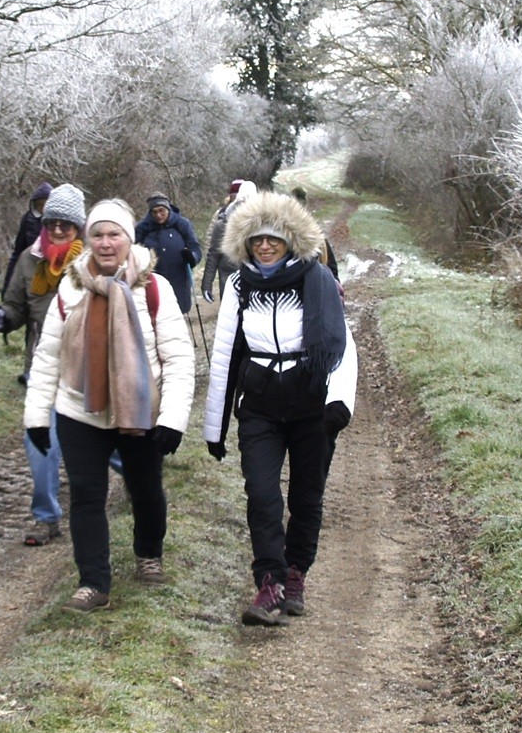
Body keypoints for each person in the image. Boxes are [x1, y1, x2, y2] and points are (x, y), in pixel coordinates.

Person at [23, 198, 197, 611]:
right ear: (88, 239)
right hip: (79, 409)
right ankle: (94, 583)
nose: (105, 243)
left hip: (139, 409)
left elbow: (178, 358)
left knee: (146, 488)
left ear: (128, 239)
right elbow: (48, 358)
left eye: (113, 234)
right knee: (86, 495)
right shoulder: (70, 287)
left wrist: (172, 420)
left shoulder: (154, 287)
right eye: (97, 234)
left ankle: (148, 555)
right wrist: (36, 418)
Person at [203, 190, 357, 626]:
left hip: (311, 403)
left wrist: (339, 402)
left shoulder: (318, 279)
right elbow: (225, 353)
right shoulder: (239, 286)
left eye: (273, 239)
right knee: (263, 495)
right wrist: (214, 426)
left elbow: (342, 346)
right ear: (245, 245)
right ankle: (268, 583)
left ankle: (295, 575)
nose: (265, 246)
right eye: (257, 241)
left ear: (289, 241)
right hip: (261, 405)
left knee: (307, 495)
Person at [0, 183, 87, 545]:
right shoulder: (30, 259)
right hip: (41, 365)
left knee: (114, 444)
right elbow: (16, 307)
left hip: (88, 369)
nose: (58, 229)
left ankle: (142, 486)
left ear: (79, 227)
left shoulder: (93, 260)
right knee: (39, 442)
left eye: (67, 224)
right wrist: (2, 318)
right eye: (53, 221)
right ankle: (46, 518)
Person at [134, 192, 202, 314]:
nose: (158, 215)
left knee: (177, 314)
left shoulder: (182, 224)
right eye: (154, 212)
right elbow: (134, 252)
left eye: (161, 211)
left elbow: (196, 249)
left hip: (178, 279)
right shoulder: (142, 228)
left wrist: (192, 257)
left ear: (168, 209)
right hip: (153, 280)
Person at [200, 179, 256, 303]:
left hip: (254, 279)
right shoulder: (222, 221)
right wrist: (207, 284)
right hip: (228, 274)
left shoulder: (262, 225)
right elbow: (213, 251)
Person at [2, 183, 52, 292]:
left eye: (46, 204)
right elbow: (17, 252)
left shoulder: (60, 223)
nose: (43, 209)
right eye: (39, 205)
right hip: (29, 271)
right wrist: (7, 285)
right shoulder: (28, 220)